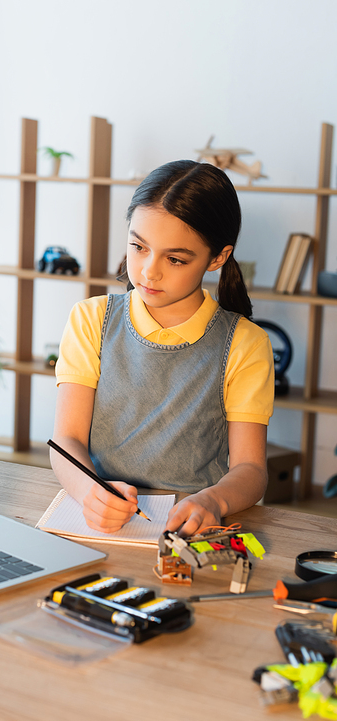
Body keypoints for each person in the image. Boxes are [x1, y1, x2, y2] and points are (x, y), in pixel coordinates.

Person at [50, 160, 274, 536]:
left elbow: (251, 470)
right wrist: (90, 492)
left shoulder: (245, 344)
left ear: (217, 258)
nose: (149, 271)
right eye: (138, 247)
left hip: (187, 532)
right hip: (100, 522)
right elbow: (66, 439)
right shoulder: (91, 319)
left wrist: (213, 501)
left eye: (174, 259)